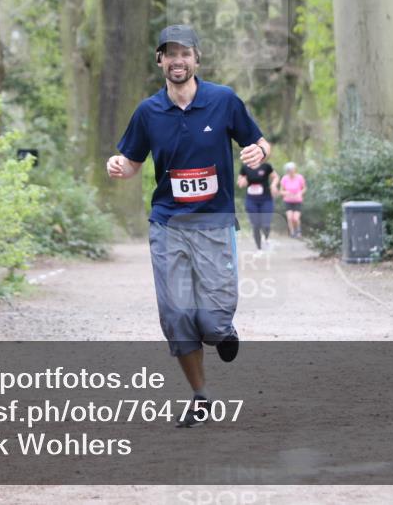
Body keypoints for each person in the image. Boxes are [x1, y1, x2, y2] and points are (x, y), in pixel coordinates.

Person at [106, 24, 271, 428]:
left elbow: (261, 142)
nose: (177, 60)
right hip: (168, 224)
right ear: (160, 61)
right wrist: (118, 166)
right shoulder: (148, 112)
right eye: (169, 53)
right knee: (177, 315)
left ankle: (224, 332)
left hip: (214, 223)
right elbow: (131, 161)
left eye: (185, 53)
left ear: (196, 59)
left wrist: (257, 151)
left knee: (212, 323)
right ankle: (200, 395)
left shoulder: (223, 100)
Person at [237, 160, 278, 251]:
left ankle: (266, 238)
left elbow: (275, 177)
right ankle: (259, 247)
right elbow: (240, 183)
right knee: (256, 225)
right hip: (251, 200)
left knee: (266, 223)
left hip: (266, 199)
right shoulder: (245, 167)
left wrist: (274, 185)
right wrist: (242, 181)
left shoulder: (266, 166)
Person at [279, 162, 306, 238]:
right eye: (289, 170)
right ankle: (292, 232)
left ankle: (298, 230)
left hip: (297, 200)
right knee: (290, 218)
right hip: (288, 201)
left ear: (294, 170)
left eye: (292, 169)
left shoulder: (300, 178)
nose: (291, 171)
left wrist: (300, 193)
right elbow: (281, 191)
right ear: (287, 171)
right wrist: (286, 192)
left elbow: (304, 188)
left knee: (296, 218)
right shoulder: (284, 178)